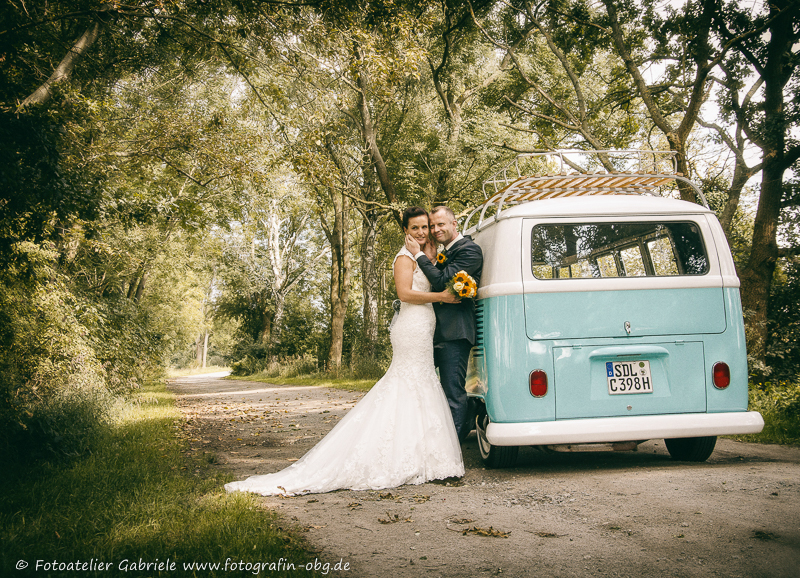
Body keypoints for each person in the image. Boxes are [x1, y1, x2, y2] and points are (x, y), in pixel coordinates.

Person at [225, 206, 464, 496]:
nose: (422, 232)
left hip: (426, 326)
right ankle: (396, 456)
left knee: (422, 383)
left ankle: (425, 457)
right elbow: (403, 294)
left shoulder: (425, 255)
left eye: (425, 227)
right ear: (405, 231)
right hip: (411, 326)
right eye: (415, 228)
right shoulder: (404, 257)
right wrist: (440, 296)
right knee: (408, 382)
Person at [404, 206, 483, 441]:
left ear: (454, 223)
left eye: (441, 224)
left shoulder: (470, 250)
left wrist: (418, 254)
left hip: (455, 333)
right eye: (433, 225)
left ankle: (452, 450)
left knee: (453, 393)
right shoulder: (443, 251)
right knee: (424, 388)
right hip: (432, 332)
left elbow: (440, 282)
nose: (436, 230)